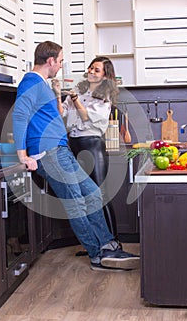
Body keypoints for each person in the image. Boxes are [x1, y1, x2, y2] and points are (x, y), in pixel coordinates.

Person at [12, 40, 139, 271]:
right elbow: (20, 116)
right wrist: (23, 155)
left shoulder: (43, 84)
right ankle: (96, 255)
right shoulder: (31, 82)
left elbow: (54, 115)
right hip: (48, 153)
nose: (61, 65)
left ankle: (109, 246)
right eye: (60, 61)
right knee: (76, 204)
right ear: (50, 61)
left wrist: (59, 94)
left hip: (61, 150)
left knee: (92, 196)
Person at [52, 56, 121, 253]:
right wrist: (58, 95)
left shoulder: (104, 98)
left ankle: (113, 243)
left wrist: (73, 98)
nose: (91, 71)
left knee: (99, 195)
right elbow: (61, 113)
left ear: (105, 76)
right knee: (85, 197)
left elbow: (85, 117)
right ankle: (99, 242)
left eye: (97, 70)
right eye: (90, 68)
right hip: (74, 144)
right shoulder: (80, 93)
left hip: (92, 146)